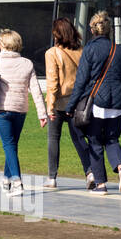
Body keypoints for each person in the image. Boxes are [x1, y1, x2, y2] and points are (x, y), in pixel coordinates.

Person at [65, 11, 121, 194]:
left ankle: (101, 184)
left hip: (97, 102)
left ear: (92, 29)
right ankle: (120, 168)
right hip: (119, 102)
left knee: (95, 141)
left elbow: (81, 81)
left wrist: (71, 106)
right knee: (112, 139)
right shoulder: (119, 50)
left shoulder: (89, 49)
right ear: (109, 29)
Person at [0, 29, 48, 195]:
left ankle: (17, 182)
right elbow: (36, 90)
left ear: (3, 44)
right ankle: (6, 179)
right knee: (12, 145)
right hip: (20, 110)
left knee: (9, 145)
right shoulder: (27, 63)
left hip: (2, 109)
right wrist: (42, 114)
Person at [43, 17, 90, 189]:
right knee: (79, 139)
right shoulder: (82, 51)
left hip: (59, 102)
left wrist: (50, 106)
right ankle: (90, 172)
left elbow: (52, 82)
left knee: (53, 139)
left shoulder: (52, 53)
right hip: (78, 101)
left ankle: (52, 177)